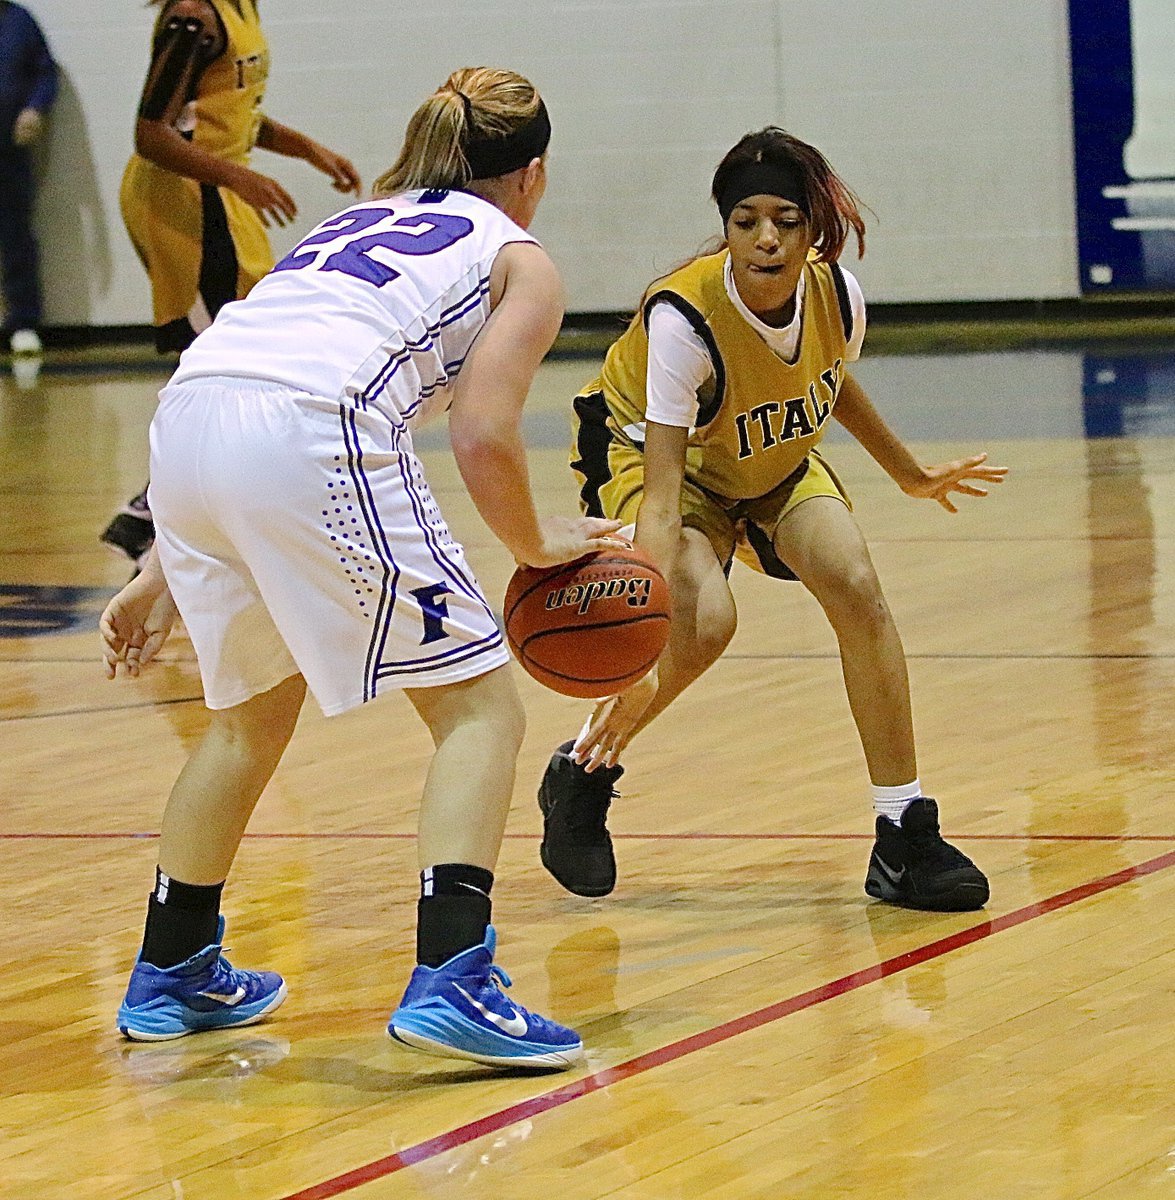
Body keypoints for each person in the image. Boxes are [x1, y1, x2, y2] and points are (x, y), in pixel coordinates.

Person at [99, 67, 622, 1070]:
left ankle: (173, 967)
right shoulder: (519, 257)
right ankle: (454, 976)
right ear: (533, 174)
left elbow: (247, 380)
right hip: (309, 435)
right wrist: (532, 545)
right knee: (478, 709)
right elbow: (481, 433)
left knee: (247, 717)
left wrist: (162, 562)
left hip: (186, 427)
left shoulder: (351, 225)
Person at [538, 127, 1008, 912]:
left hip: (766, 460)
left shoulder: (835, 294)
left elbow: (831, 378)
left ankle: (902, 834)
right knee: (704, 622)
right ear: (725, 226)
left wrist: (909, 472)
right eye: (745, 219)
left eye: (785, 221)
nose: (765, 238)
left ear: (811, 228)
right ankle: (582, 775)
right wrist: (642, 634)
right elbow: (658, 497)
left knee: (857, 586)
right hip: (665, 464)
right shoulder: (682, 320)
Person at [101, 0, 362, 568]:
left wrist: (309, 150)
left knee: (249, 354)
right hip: (182, 200)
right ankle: (162, 520)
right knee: (219, 364)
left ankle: (153, 512)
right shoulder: (192, 16)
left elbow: (230, 114)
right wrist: (239, 176)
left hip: (217, 194)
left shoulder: (238, 7)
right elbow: (152, 133)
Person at [0, 0, 57, 356]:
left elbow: (45, 72)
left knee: (16, 234)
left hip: (9, 149)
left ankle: (23, 322)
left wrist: (35, 108)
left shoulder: (20, 21)